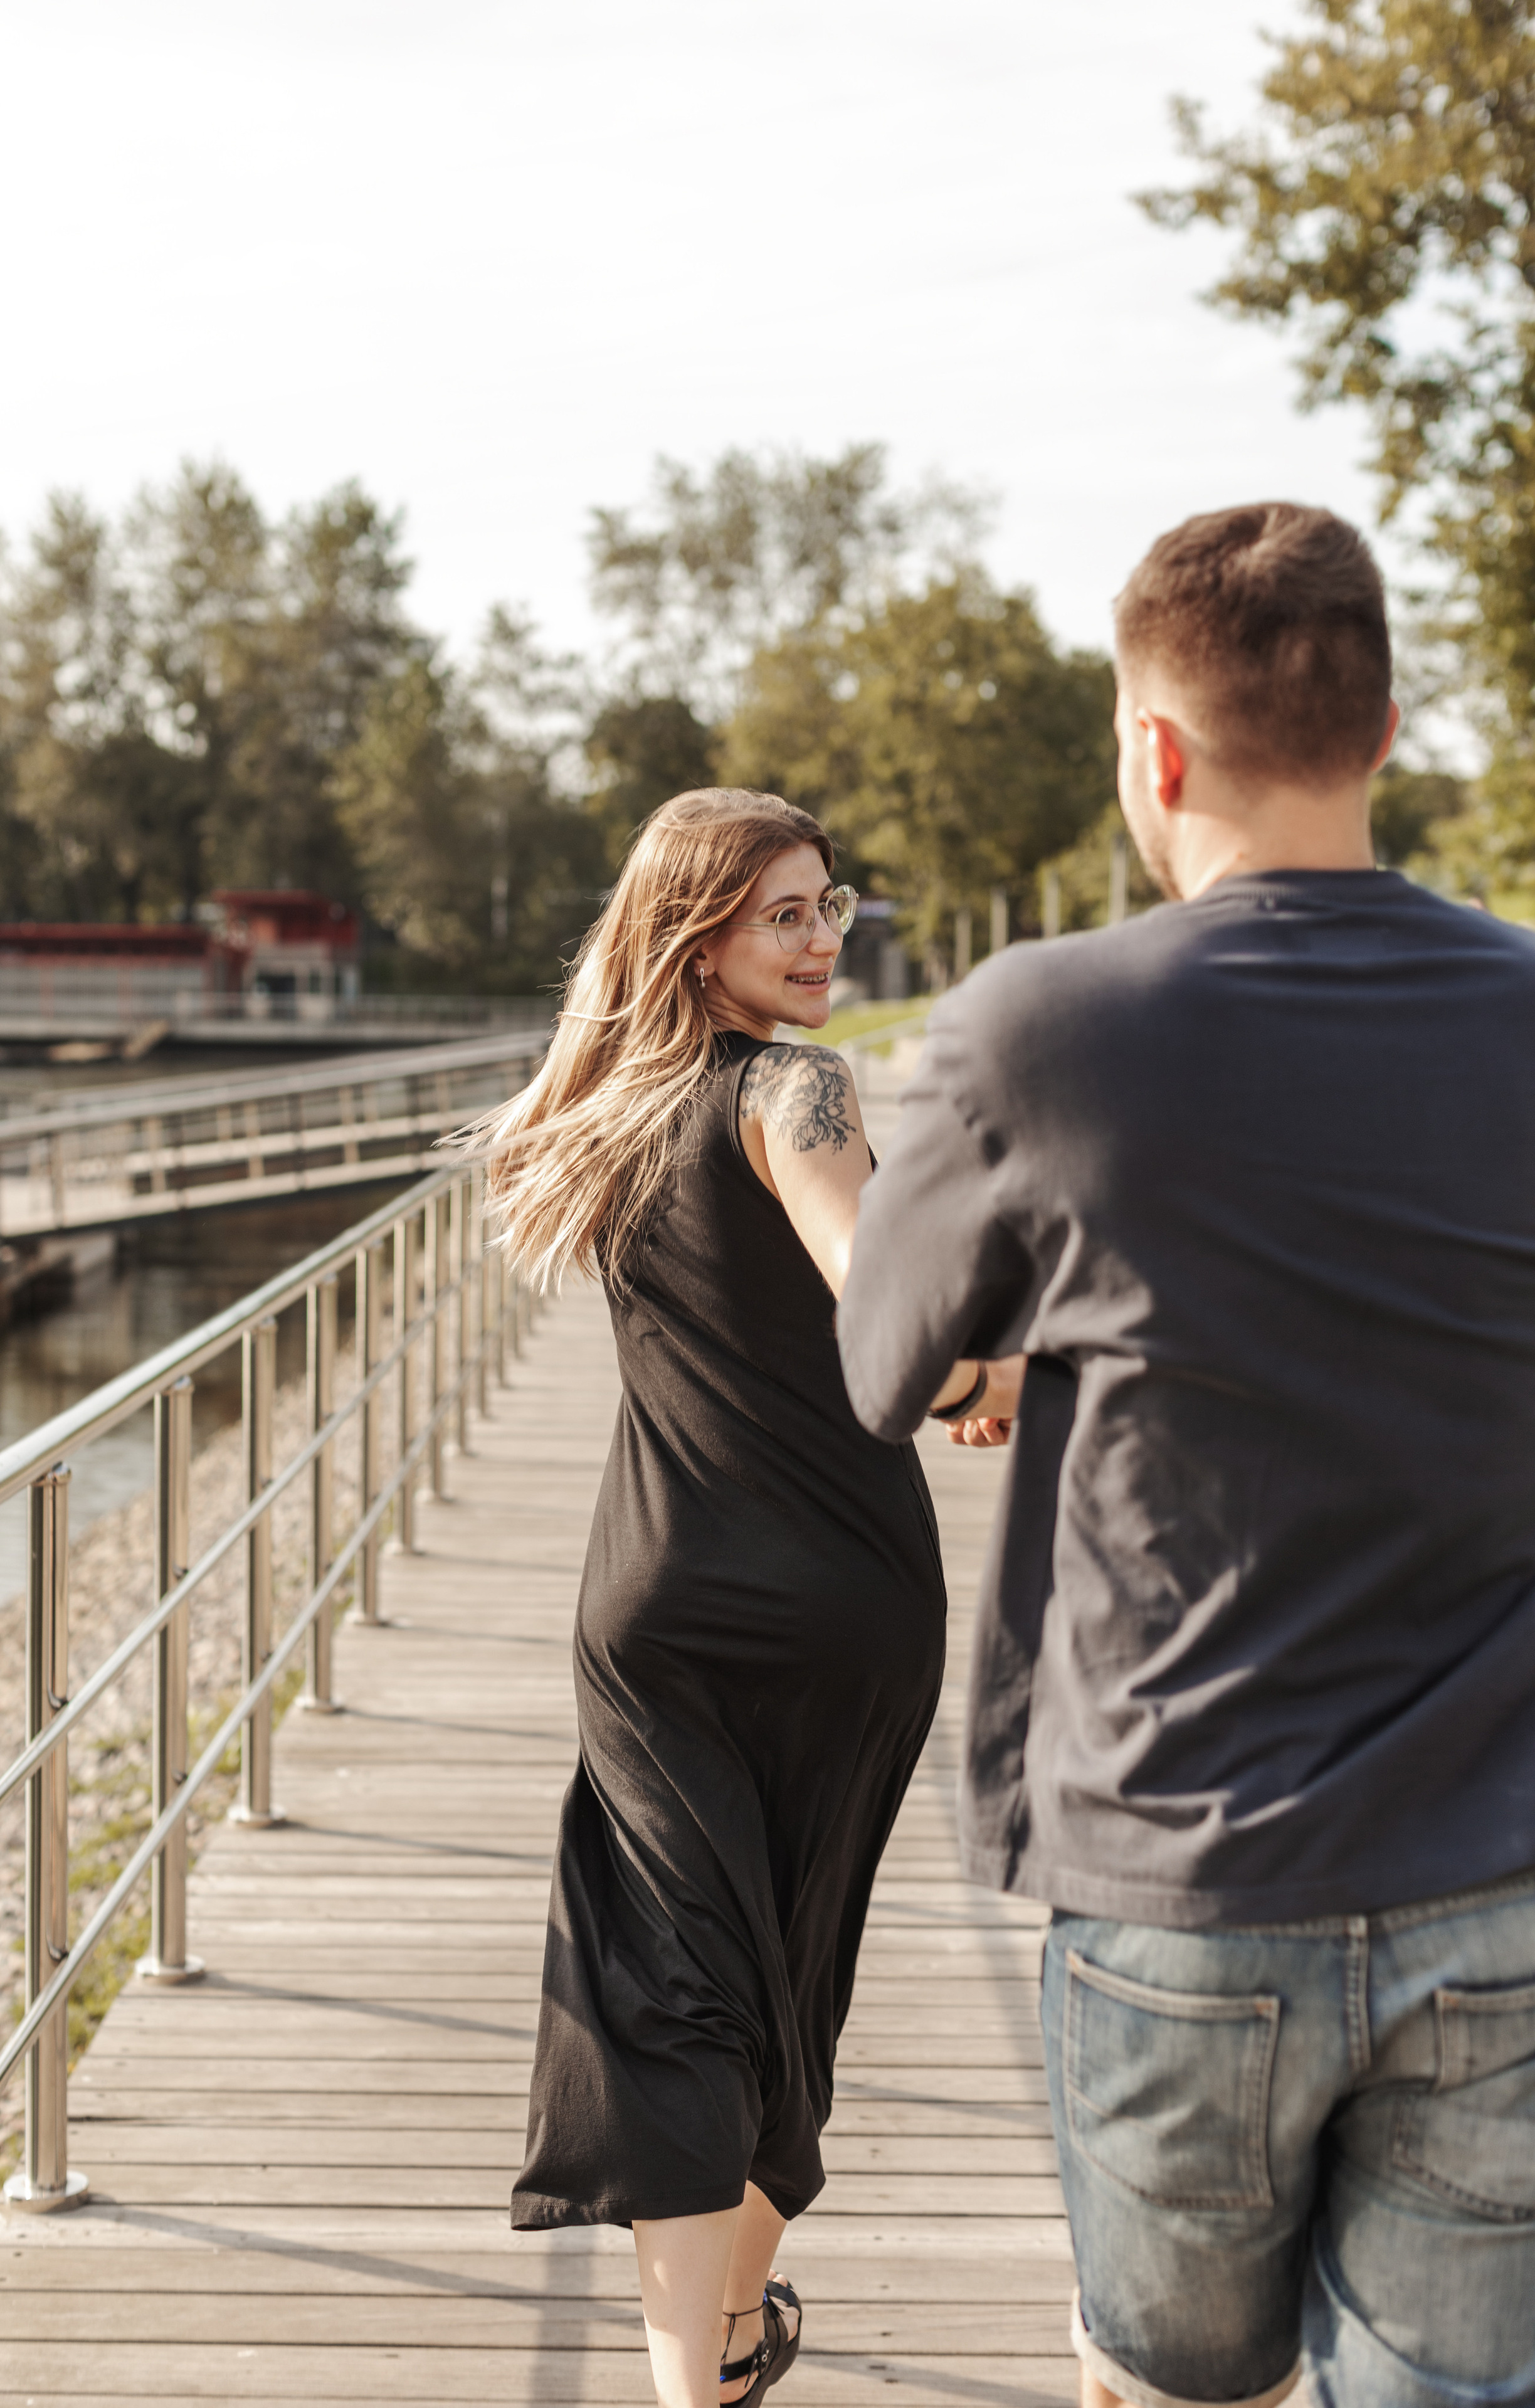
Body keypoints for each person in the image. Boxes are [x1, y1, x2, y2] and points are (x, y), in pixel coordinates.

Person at [837, 504, 1535, 2408]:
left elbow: (883, 1367)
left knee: (1166, 2391)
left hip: (1177, 1877)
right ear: (1388, 728)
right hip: (1504, 1877)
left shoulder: (1037, 1030)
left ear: (1153, 752)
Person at [487, 789, 978, 2408]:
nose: (825, 938)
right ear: (698, 933)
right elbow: (878, 1291)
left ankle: (715, 2359)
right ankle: (713, 2361)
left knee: (684, 1993)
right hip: (846, 1606)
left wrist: (946, 1351)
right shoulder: (800, 1084)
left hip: (657, 1613)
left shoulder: (607, 1115)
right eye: (787, 914)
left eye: (833, 906)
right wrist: (982, 1361)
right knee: (785, 1990)